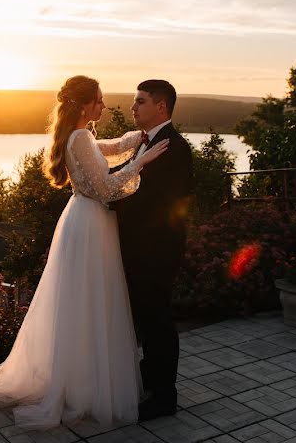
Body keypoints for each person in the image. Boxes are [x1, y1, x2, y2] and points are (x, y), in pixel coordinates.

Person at [0, 75, 168, 429]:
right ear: (84, 105)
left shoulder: (80, 136)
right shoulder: (81, 137)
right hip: (90, 222)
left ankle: (82, 378)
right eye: (98, 101)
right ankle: (87, 386)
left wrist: (136, 141)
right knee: (90, 301)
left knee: (81, 303)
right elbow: (106, 188)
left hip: (81, 220)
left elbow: (108, 148)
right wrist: (140, 163)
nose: (102, 106)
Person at [111, 79, 193, 421]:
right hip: (140, 249)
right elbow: (128, 179)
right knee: (146, 318)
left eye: (140, 101)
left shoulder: (174, 147)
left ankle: (165, 397)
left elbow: (153, 201)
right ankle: (150, 376)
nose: (134, 107)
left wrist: (106, 202)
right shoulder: (147, 142)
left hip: (157, 251)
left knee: (159, 321)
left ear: (161, 107)